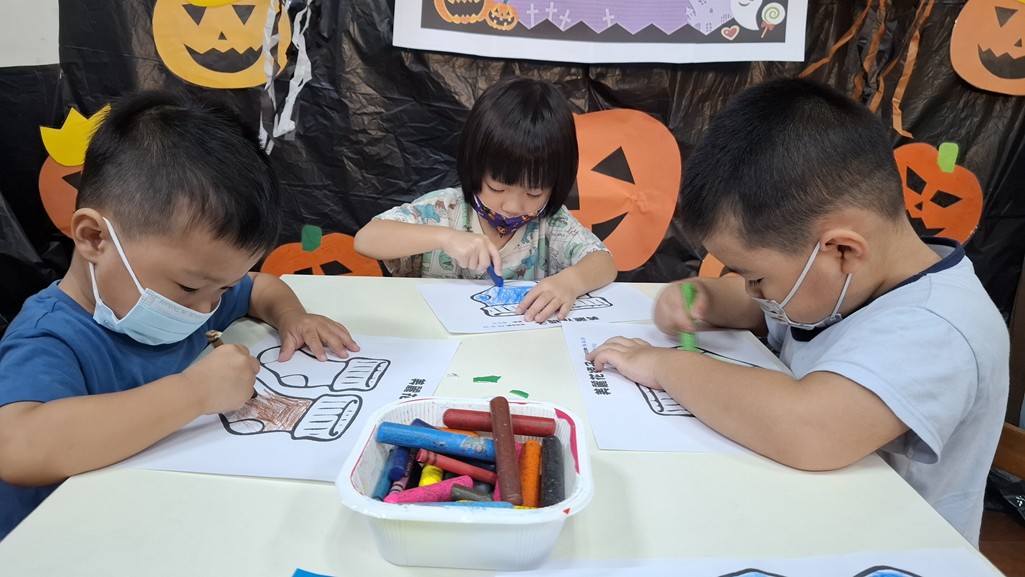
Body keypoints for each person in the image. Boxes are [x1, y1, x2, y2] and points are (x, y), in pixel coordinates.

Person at [586, 78, 1008, 546]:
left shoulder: (939, 326)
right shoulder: (850, 281)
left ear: (843, 250)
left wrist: (664, 365)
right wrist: (702, 296)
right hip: (801, 513)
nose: (753, 291)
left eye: (756, 277)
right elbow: (760, 309)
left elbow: (808, 427)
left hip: (889, 549)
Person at [0, 91, 359, 539]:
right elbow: (18, 447)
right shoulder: (51, 336)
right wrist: (195, 392)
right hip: (61, 541)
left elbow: (260, 287)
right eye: (190, 287)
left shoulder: (194, 294)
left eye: (222, 288)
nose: (207, 308)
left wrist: (292, 317)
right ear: (93, 238)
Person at [354, 77, 617, 323]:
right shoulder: (445, 209)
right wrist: (445, 238)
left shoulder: (552, 223)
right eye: (497, 188)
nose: (513, 206)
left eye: (534, 193)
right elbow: (366, 239)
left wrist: (570, 282)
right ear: (474, 168)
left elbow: (603, 262)